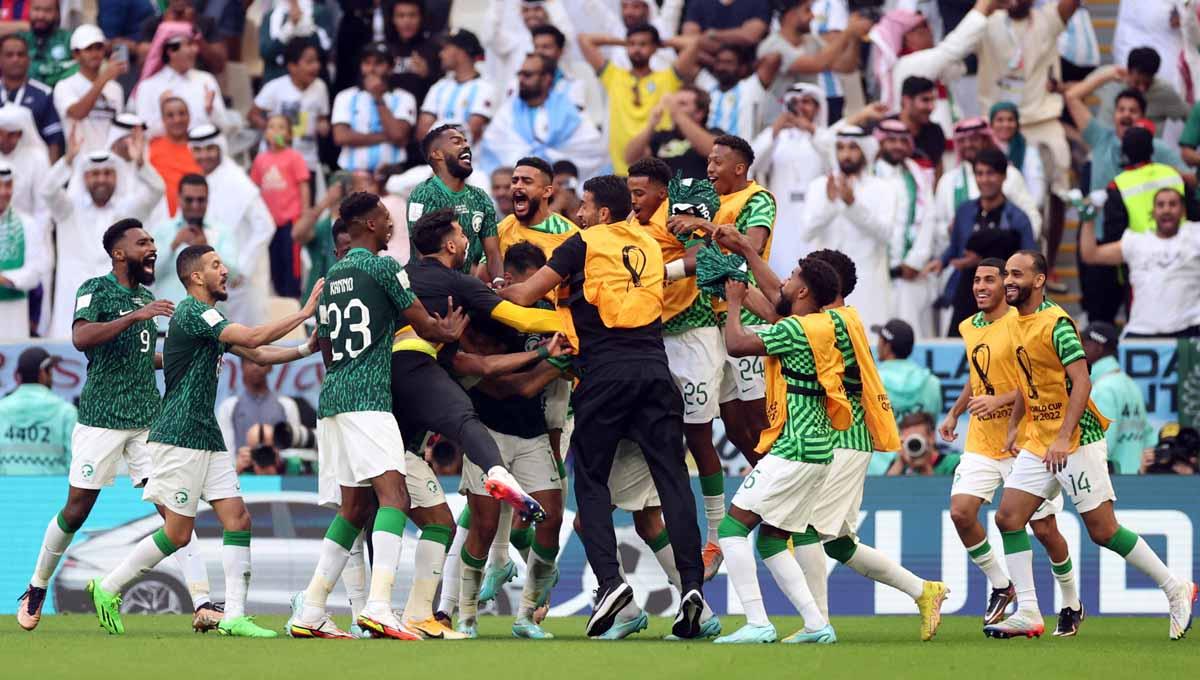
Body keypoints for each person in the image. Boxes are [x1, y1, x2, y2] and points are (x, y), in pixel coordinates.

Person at [290, 192, 529, 640]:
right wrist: (446, 331)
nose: (390, 224)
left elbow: (325, 345)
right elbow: (423, 323)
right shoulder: (384, 267)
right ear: (367, 224)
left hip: (333, 399)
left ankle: (312, 608)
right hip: (369, 399)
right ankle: (380, 606)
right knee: (395, 498)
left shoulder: (333, 274)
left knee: (354, 508)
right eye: (384, 218)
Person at [500, 175, 713, 640]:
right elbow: (683, 268)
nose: (577, 213)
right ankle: (692, 587)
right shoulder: (650, 244)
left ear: (601, 213)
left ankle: (612, 583)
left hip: (604, 377)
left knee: (592, 484)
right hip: (656, 375)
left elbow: (526, 294)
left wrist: (491, 292)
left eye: (585, 205)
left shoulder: (582, 243)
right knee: (674, 482)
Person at [85, 243, 324, 638]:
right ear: (196, 277)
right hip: (179, 435)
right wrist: (302, 313)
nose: (224, 270)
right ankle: (108, 588)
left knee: (238, 519)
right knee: (178, 533)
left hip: (204, 435)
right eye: (215, 265)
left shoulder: (210, 319)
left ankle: (234, 615)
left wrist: (305, 348)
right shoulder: (193, 312)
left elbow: (259, 355)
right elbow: (254, 335)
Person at [18, 220, 219, 634]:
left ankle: (202, 601)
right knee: (76, 510)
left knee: (176, 509)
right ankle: (36, 586)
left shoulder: (147, 297)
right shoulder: (96, 289)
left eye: (152, 241)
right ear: (119, 253)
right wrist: (135, 316)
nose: (152, 248)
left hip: (148, 420)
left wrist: (187, 356)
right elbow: (82, 337)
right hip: (102, 419)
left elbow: (144, 358)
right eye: (142, 242)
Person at [985, 249, 1197, 640]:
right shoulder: (1013, 322)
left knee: (1103, 531)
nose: (1008, 281)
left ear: (1039, 280)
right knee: (1008, 518)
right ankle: (1028, 611)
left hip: (1076, 439)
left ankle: (1175, 587)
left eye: (1016, 274)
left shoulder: (1057, 324)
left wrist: (1064, 437)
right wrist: (1014, 426)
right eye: (1006, 274)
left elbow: (1082, 382)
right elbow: (1028, 382)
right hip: (1039, 439)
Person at [403, 209, 570, 640]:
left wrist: (560, 358)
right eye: (528, 285)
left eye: (542, 286)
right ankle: (466, 617)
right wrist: (550, 359)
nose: (535, 293)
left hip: (532, 432)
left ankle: (527, 615)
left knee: (551, 518)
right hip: (486, 428)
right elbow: (494, 379)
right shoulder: (478, 309)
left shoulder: (547, 315)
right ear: (509, 281)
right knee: (483, 524)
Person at [792, 248, 947, 641]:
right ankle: (923, 590)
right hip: (852, 441)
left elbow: (778, 318)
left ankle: (817, 624)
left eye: (806, 276)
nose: (799, 284)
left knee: (805, 526)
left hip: (845, 439)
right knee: (839, 544)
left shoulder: (836, 322)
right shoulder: (837, 320)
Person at [939, 256, 1077, 633]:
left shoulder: (1021, 322)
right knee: (961, 513)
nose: (980, 287)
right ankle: (1002, 585)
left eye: (989, 280)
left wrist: (998, 401)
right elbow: (977, 375)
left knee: (1045, 530)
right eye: (976, 280)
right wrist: (955, 412)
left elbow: (1036, 382)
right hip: (982, 441)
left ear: (1006, 285)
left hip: (1025, 441)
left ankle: (1070, 601)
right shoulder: (968, 326)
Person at [713, 256, 843, 645]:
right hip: (819, 450)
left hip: (794, 449)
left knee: (731, 529)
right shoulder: (823, 324)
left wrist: (734, 303)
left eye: (792, 277)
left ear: (803, 291)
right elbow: (774, 306)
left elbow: (736, 344)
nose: (784, 280)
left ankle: (757, 621)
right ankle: (817, 624)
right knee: (771, 539)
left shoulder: (794, 329)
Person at [668, 134, 775, 491]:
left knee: (758, 419)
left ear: (739, 167)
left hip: (749, 317)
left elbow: (751, 246)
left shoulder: (758, 198)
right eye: (709, 161)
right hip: (715, 320)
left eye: (718, 161)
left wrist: (703, 226)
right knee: (734, 426)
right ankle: (769, 491)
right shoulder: (708, 199)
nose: (710, 168)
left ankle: (783, 495)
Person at [42, 124, 162, 339]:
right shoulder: (68, 209)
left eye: (108, 173)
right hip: (73, 301)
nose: (101, 179)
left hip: (114, 306)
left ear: (117, 176)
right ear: (84, 177)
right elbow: (48, 191)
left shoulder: (127, 211)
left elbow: (156, 190)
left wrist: (141, 164)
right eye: (94, 174)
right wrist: (68, 161)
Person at [799, 124, 899, 332]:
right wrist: (830, 204)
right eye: (841, 148)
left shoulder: (883, 188)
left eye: (853, 147)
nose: (846, 154)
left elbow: (886, 233)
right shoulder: (819, 186)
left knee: (865, 340)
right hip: (825, 284)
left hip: (868, 280)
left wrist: (852, 204)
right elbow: (807, 232)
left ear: (865, 150)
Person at [578, 24, 702, 175]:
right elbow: (584, 39)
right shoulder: (613, 75)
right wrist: (623, 42)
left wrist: (660, 42)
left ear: (654, 48)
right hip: (621, 171)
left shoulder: (668, 77)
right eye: (632, 44)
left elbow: (693, 43)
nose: (636, 49)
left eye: (643, 44)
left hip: (657, 172)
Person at [1079, 187, 1200, 338]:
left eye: (1172, 204)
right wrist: (1088, 220)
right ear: (1153, 212)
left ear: (1182, 210)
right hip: (1141, 332)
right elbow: (1090, 255)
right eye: (1161, 205)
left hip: (1190, 331)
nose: (1166, 209)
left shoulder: (1195, 235)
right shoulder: (1135, 242)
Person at [187, 124, 276, 326]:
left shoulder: (236, 180)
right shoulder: (206, 180)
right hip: (218, 278)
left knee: (250, 338)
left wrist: (243, 268)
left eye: (210, 149)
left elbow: (265, 225)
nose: (204, 155)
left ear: (220, 148)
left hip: (243, 282)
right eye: (198, 150)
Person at [941, 147, 1036, 335]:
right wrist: (940, 262)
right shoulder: (964, 211)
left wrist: (984, 263)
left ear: (1003, 176)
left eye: (990, 173)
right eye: (979, 173)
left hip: (1004, 304)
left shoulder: (1018, 219)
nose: (984, 179)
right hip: (965, 298)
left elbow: (1029, 267)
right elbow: (954, 248)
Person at [478, 53, 608, 184]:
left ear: (546, 79)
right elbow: (492, 148)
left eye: (527, 75)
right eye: (520, 74)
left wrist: (551, 157)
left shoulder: (569, 111)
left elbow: (592, 148)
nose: (521, 80)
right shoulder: (507, 112)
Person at [877, 1, 998, 131]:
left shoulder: (931, 64)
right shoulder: (908, 64)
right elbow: (955, 48)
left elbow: (958, 65)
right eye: (922, 28)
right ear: (907, 37)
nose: (929, 31)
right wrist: (982, 7)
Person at [750, 82, 827, 275]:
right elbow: (753, 162)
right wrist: (775, 130)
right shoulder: (778, 137)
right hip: (783, 213)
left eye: (807, 102)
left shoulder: (824, 136)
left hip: (815, 214)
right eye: (795, 102)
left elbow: (833, 159)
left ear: (818, 107)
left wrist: (810, 129)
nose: (800, 107)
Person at [874, 116, 940, 338]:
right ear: (880, 142)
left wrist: (915, 261)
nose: (898, 146)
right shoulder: (869, 173)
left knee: (911, 334)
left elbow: (928, 218)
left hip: (909, 273)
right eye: (892, 140)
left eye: (903, 141)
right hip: (876, 272)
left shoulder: (918, 175)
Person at [407, 125, 500, 279]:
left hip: (463, 284)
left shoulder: (480, 197)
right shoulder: (424, 194)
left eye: (466, 141)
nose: (466, 145)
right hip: (429, 284)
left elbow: (493, 252)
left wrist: (498, 281)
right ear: (437, 154)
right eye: (457, 142)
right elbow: (422, 254)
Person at [934, 117, 1042, 249]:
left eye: (974, 139)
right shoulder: (948, 180)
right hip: (961, 256)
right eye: (962, 141)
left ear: (985, 140)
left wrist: (1020, 251)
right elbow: (937, 223)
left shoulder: (1010, 174)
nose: (968, 144)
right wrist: (952, 230)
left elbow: (1031, 217)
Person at [148, 174, 239, 325]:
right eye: (189, 200)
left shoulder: (222, 232)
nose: (195, 206)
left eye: (200, 200)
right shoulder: (162, 231)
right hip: (168, 323)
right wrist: (173, 245)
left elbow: (234, 277)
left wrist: (208, 249)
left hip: (213, 326)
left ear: (208, 200)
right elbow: (149, 274)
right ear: (179, 199)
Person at [1080, 322, 1156, 476]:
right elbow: (1149, 437)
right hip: (1137, 477)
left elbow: (1101, 445)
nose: (1080, 350)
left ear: (1098, 348)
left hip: (1114, 479)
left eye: (1085, 344)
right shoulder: (1130, 384)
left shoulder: (1102, 390)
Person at [249, 38, 330, 180]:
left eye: (317, 61)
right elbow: (252, 115)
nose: (316, 66)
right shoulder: (275, 87)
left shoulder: (320, 87)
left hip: (307, 160)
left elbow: (322, 118)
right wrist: (272, 129)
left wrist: (323, 125)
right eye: (309, 62)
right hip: (275, 158)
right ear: (292, 66)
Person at [330, 42, 417, 173]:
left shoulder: (404, 97)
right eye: (367, 63)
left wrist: (378, 98)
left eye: (378, 63)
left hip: (392, 173)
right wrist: (385, 137)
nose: (371, 69)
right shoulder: (345, 96)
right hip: (352, 173)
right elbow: (341, 137)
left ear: (390, 68)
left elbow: (398, 135)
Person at [251, 113, 311, 299]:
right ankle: (279, 297)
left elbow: (303, 186)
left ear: (289, 135)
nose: (275, 131)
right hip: (269, 223)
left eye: (281, 127)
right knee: (274, 263)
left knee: (291, 265)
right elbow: (255, 188)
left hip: (291, 221)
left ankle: (293, 298)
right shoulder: (260, 159)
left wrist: (305, 215)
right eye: (271, 127)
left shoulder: (294, 157)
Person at [133, 28, 228, 138]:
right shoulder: (148, 86)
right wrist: (162, 111)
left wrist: (211, 111)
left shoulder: (206, 80)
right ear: (171, 51)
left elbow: (224, 127)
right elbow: (145, 133)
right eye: (189, 44)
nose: (195, 50)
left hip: (204, 146)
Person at [52, 24, 127, 155]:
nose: (95, 54)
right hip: (80, 161)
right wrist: (103, 79)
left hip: (110, 161)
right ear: (76, 54)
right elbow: (78, 113)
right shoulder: (64, 86)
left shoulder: (115, 88)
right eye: (88, 49)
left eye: (98, 48)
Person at [0, 346, 75, 474]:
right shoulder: (66, 412)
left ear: (19, 375)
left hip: (7, 486)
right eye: (51, 371)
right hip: (54, 486)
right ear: (42, 374)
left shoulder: (2, 409)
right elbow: (74, 464)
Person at [417, 29, 496, 145]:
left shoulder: (485, 88)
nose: (441, 54)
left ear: (461, 52)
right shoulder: (439, 87)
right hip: (437, 156)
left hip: (472, 157)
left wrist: (437, 137)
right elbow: (422, 132)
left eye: (446, 48)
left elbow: (472, 133)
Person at [624, 86, 719, 181]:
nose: (673, 107)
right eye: (674, 103)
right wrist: (651, 125)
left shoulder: (713, 133)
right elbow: (631, 158)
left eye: (682, 104)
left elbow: (712, 151)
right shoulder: (662, 136)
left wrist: (677, 114)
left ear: (699, 113)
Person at [0, 161, 48, 337]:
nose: (3, 192)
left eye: (8, 185)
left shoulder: (27, 224)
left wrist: (4, 279)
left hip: (14, 315)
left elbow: (35, 272)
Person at [217, 359, 304, 455]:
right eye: (249, 361)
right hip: (241, 464)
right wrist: (238, 462)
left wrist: (278, 458)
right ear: (242, 366)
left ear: (270, 366)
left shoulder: (288, 405)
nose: (255, 367)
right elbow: (226, 452)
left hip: (279, 465)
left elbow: (294, 450)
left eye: (260, 362)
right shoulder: (228, 407)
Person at [1097, 47, 1189, 138]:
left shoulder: (1164, 92)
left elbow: (1190, 117)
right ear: (1128, 72)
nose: (1142, 89)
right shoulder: (1109, 78)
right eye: (1136, 83)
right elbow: (1087, 84)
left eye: (1147, 84)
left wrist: (1188, 143)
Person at [697, 44, 779, 141]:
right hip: (706, 147)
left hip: (742, 149)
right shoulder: (707, 84)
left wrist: (750, 67)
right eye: (718, 62)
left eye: (728, 63)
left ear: (742, 68)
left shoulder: (752, 86)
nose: (721, 67)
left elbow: (773, 58)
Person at [0, 34, 64, 159]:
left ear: (29, 59)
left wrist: (50, 171)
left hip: (33, 166)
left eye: (20, 54)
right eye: (9, 55)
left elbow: (53, 141)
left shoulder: (44, 94)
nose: (15, 59)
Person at [875, 319, 941, 424]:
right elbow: (931, 425)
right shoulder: (932, 382)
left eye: (880, 339)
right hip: (919, 435)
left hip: (885, 435)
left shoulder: (873, 382)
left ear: (887, 346)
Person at [148, 96, 201, 217]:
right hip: (159, 218)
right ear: (163, 119)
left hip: (195, 215)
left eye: (182, 114)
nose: (177, 120)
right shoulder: (151, 147)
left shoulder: (201, 149)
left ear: (189, 116)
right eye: (170, 115)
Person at [988, 102, 1046, 211]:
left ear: (1017, 123)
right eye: (1000, 120)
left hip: (1020, 210)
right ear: (991, 124)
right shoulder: (985, 151)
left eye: (1010, 120)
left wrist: (1022, 214)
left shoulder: (1029, 153)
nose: (1005, 124)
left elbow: (1036, 190)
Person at [382, 0, 442, 104]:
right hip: (386, 108)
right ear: (392, 19)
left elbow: (444, 89)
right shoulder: (383, 49)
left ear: (421, 18)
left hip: (422, 108)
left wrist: (427, 75)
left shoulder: (435, 49)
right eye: (401, 16)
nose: (407, 21)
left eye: (412, 15)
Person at [0, 104, 49, 223]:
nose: (3, 140)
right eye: (0, 133)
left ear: (20, 134)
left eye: (10, 135)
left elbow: (42, 208)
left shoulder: (37, 159)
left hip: (26, 228)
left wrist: (34, 231)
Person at [682, 0, 771, 65]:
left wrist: (712, 34)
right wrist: (713, 62)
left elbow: (751, 36)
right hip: (703, 68)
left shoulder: (758, 2)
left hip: (745, 70)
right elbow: (687, 40)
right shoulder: (699, 2)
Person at [17, 0, 75, 88]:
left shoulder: (68, 39)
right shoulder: (18, 39)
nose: (41, 16)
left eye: (48, 10)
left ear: (57, 13)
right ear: (29, 10)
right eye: (36, 9)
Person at [887, 412, 960, 476]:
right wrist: (900, 462)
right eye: (909, 441)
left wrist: (925, 467)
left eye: (918, 439)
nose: (914, 445)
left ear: (932, 437)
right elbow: (886, 486)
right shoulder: (899, 463)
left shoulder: (953, 463)